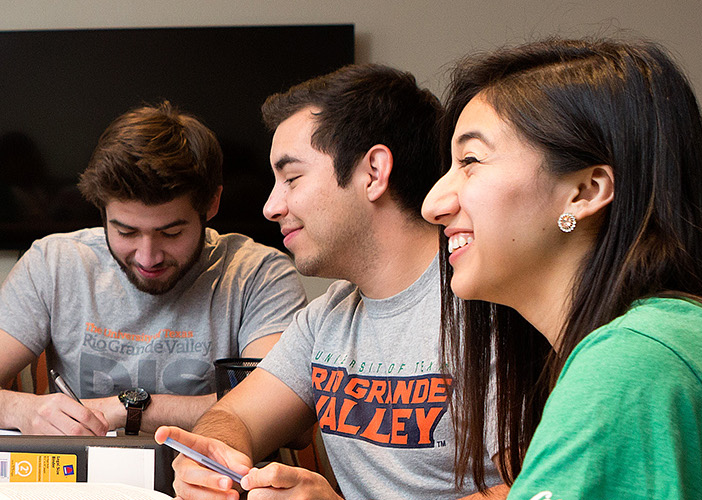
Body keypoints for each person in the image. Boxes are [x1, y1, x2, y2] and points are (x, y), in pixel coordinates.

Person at [418, 38, 702, 499]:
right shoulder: (681, 333)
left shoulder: (634, 363)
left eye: (470, 161)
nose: (433, 205)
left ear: (585, 193)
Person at [158, 64, 507, 500]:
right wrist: (209, 459)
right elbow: (237, 417)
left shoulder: (491, 304)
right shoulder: (327, 317)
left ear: (374, 172)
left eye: (291, 178)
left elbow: (535, 489)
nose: (270, 206)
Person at [0, 102, 306, 437]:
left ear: (211, 203)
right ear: (101, 209)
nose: (147, 257)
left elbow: (282, 411)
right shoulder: (54, 263)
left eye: (171, 232)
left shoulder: (259, 274)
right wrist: (23, 410)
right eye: (126, 231)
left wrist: (129, 410)